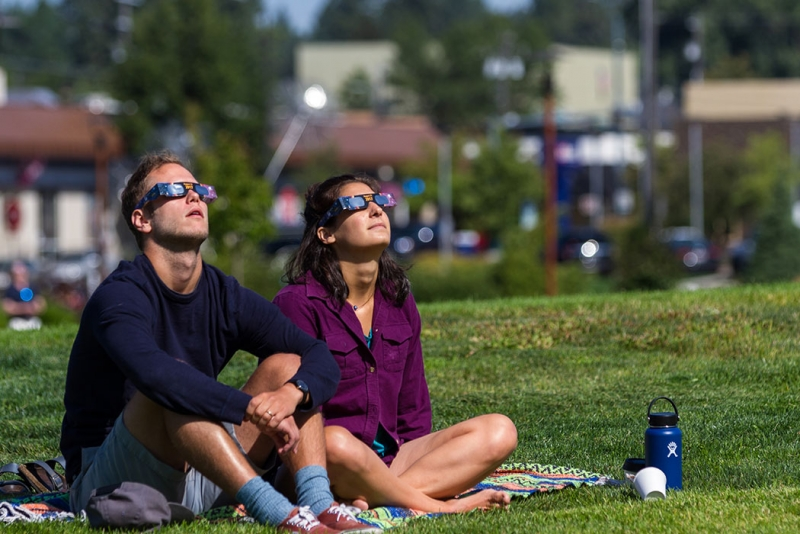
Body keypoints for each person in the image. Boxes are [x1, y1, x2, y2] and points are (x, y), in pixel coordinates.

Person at [60, 152, 379, 533]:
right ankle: (280, 514)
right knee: (173, 384)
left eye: (199, 190)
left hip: (202, 466)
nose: (194, 197)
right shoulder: (119, 296)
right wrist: (251, 409)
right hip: (114, 481)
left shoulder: (222, 292)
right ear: (141, 220)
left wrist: (290, 396)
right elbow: (158, 378)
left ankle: (318, 507)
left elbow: (318, 355)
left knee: (289, 366)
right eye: (175, 190)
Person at [273, 173, 518, 513]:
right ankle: (437, 505)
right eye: (357, 204)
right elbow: (293, 416)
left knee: (500, 431)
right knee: (337, 443)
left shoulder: (397, 299)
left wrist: (421, 455)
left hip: (390, 458)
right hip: (323, 461)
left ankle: (376, 500)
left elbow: (413, 408)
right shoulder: (297, 303)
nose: (375, 210)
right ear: (326, 233)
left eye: (379, 201)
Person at [2, 260, 46, 330]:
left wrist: (20, 307)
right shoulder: (10, 290)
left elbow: (41, 305)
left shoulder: (33, 287)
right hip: (16, 321)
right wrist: (23, 308)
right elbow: (7, 308)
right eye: (18, 274)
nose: (20, 276)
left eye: (22, 274)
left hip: (32, 320)